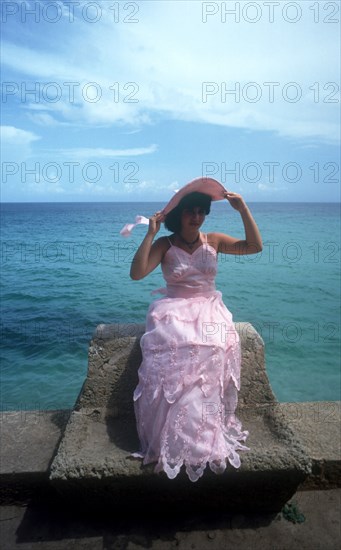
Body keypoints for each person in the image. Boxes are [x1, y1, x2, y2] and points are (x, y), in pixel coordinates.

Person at [126, 177, 263, 482]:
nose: (196, 216)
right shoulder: (166, 244)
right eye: (191, 211)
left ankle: (205, 430)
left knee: (214, 345)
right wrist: (150, 234)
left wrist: (243, 210)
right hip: (173, 308)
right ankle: (173, 435)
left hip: (208, 306)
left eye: (201, 211)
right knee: (177, 346)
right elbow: (137, 274)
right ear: (179, 215)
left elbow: (255, 246)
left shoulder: (213, 240)